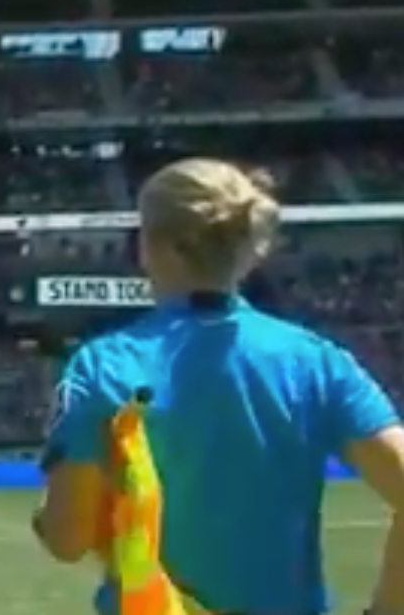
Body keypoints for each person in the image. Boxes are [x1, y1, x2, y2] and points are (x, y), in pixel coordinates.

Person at [34, 157, 404, 615]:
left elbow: (68, 538)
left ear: (153, 247)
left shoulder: (102, 367)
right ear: (245, 249)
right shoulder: (315, 361)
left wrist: (49, 520)